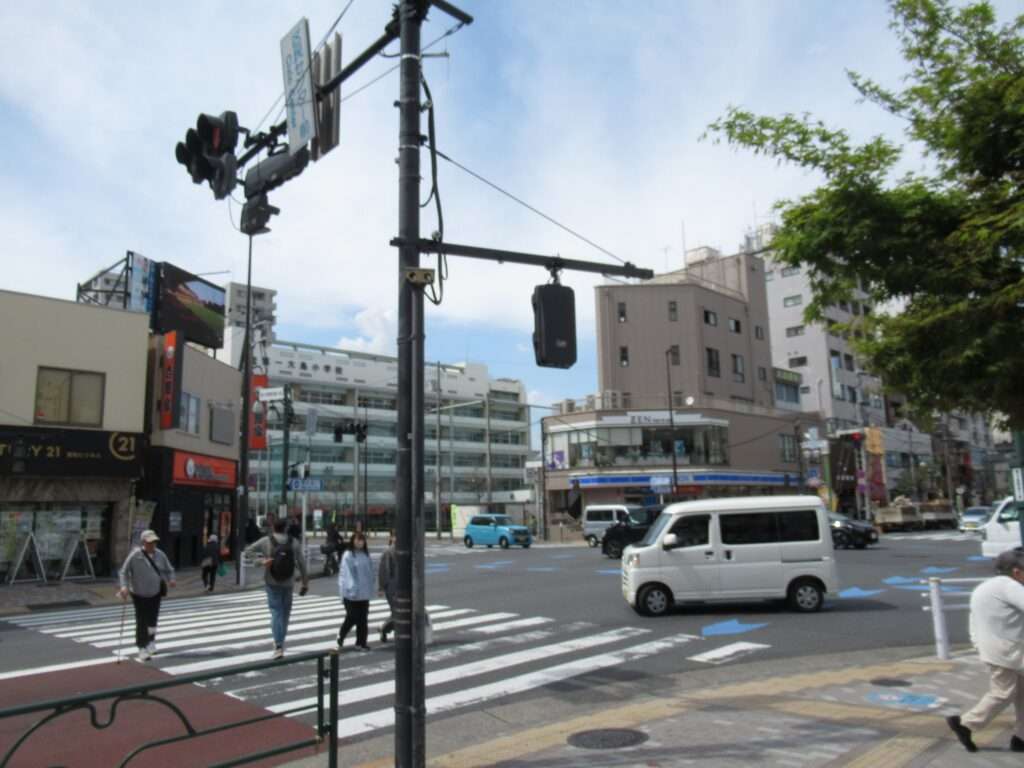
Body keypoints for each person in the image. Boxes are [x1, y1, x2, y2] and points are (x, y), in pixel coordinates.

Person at [947, 549, 1024, 753]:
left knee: (1021, 694)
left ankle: (1021, 738)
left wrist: (979, 646)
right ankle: (966, 724)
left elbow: (974, 621)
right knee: (1003, 693)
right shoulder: (1010, 587)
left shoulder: (984, 587)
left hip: (996, 650)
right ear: (1017, 572)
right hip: (1009, 652)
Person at [245, 518, 309, 659]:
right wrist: (305, 582)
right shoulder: (294, 542)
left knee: (276, 612)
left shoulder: (266, 541)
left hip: (271, 580)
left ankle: (278, 644)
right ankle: (280, 642)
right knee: (285, 613)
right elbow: (302, 563)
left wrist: (261, 562)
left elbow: (248, 550)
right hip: (288, 582)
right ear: (286, 528)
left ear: (273, 527)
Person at [118, 530, 175, 661]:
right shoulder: (135, 555)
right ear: (143, 542)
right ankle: (142, 647)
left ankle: (151, 641)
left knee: (152, 620)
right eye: (150, 542)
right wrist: (124, 586)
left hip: (155, 593)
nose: (152, 544)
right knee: (141, 621)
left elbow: (170, 569)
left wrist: (171, 579)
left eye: (154, 542)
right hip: (138, 593)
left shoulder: (160, 555)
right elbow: (123, 572)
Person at [337, 531, 375, 651]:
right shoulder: (348, 555)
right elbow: (346, 575)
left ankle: (361, 643)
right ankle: (341, 634)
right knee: (352, 616)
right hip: (350, 593)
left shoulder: (366, 555)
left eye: (362, 540)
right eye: (358, 540)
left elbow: (371, 572)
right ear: (353, 541)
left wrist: (372, 586)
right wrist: (351, 589)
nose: (360, 542)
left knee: (363, 619)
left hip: (364, 593)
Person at [378, 531, 397, 643]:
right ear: (391, 538)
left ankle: (385, 629)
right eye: (395, 536)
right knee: (397, 612)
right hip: (392, 588)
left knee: (399, 613)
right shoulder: (388, 552)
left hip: (404, 587)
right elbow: (383, 571)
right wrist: (381, 587)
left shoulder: (407, 549)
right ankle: (385, 629)